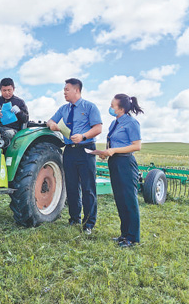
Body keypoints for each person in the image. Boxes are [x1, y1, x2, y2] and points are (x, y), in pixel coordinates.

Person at [47, 78, 102, 234]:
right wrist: (51, 124)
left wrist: (83, 136)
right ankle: (74, 218)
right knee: (71, 186)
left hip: (86, 149)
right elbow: (51, 120)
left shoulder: (90, 107)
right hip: (69, 151)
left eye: (67, 89)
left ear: (77, 90)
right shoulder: (64, 109)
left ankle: (89, 223)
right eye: (64, 89)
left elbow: (98, 128)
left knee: (88, 187)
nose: (64, 92)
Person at [99, 94, 143, 247]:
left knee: (129, 200)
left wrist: (114, 150)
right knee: (120, 199)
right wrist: (106, 153)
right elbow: (112, 143)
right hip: (115, 161)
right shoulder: (114, 123)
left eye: (112, 105)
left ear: (121, 108)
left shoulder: (131, 123)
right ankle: (124, 234)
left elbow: (136, 146)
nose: (110, 108)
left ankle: (132, 237)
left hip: (125, 162)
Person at [0, 78, 29, 147]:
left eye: (9, 90)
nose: (7, 93)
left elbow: (25, 119)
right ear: (0, 90)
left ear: (13, 89)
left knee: (7, 134)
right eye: (4, 90)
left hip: (12, 129)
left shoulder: (19, 102)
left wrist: (18, 112)